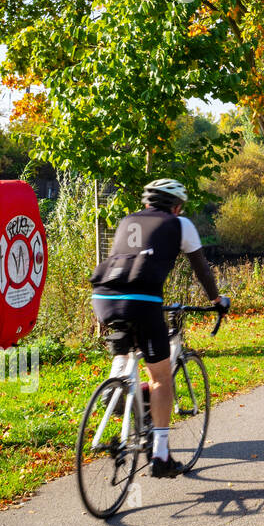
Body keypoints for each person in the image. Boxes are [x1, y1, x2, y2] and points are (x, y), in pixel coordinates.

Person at [89, 178, 229, 479]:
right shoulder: (180, 224)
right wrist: (216, 299)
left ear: (147, 202)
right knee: (161, 377)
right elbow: (201, 268)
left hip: (102, 298)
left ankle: (122, 388)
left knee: (133, 355)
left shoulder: (128, 221)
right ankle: (161, 456)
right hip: (142, 300)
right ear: (176, 206)